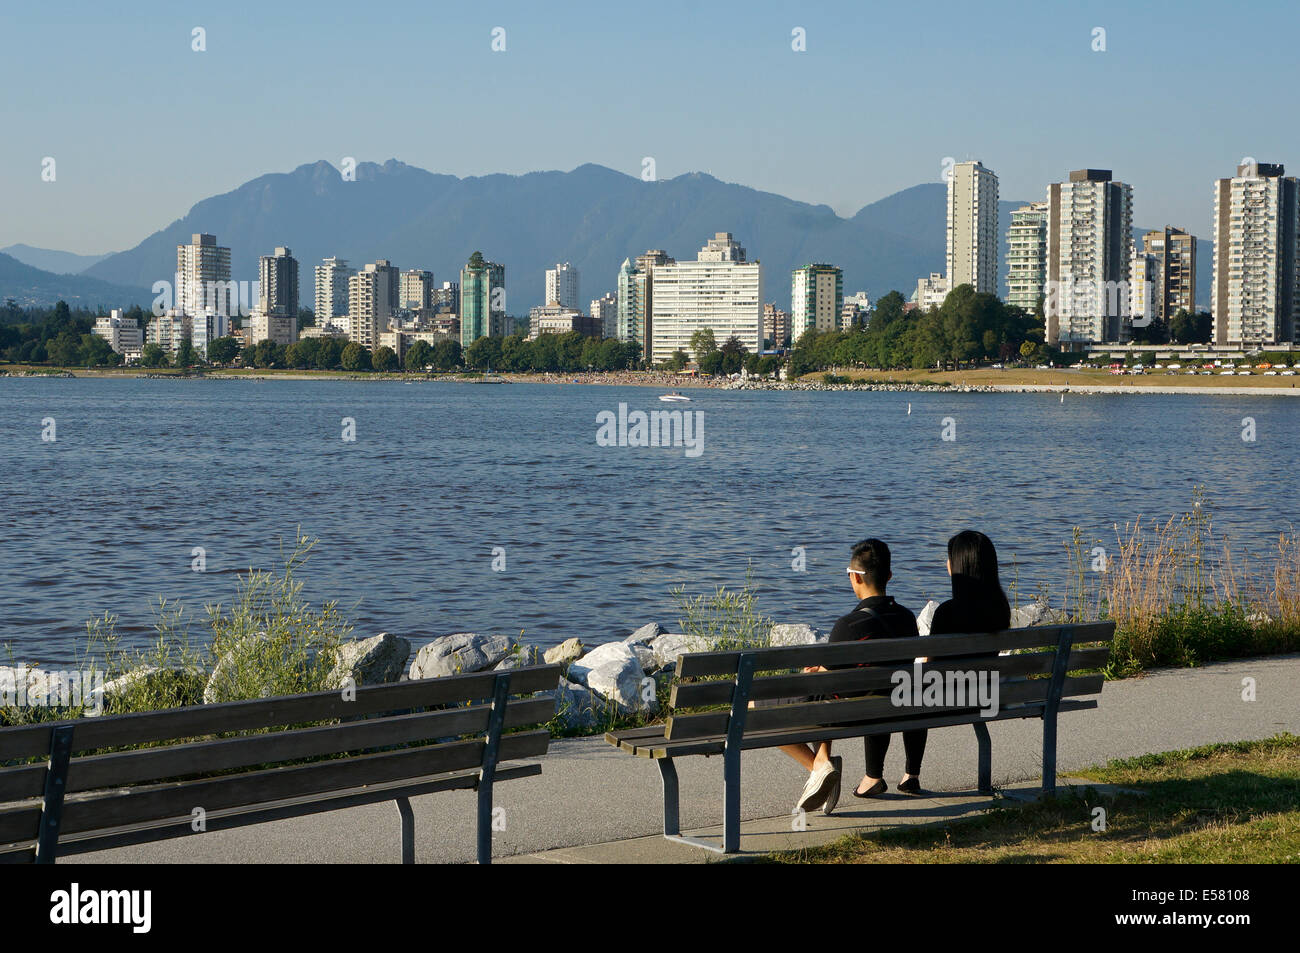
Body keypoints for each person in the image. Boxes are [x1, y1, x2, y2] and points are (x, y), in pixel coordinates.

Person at [773, 538, 918, 815]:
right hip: (887, 706)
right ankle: (823, 764)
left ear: (855, 577)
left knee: (756, 705)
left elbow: (828, 680)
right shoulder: (908, 619)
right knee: (828, 693)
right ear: (889, 576)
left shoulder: (848, 625)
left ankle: (818, 766)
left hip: (844, 710)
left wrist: (815, 671)